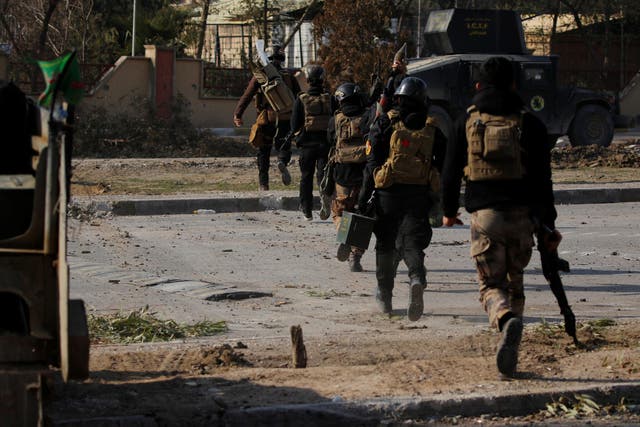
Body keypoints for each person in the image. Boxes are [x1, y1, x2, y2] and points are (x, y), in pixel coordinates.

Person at [441, 56, 559, 378]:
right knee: (515, 284)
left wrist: (449, 213)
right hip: (524, 220)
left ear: (478, 86)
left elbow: (449, 175)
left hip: (486, 219)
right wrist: (548, 223)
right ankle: (512, 347)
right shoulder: (531, 124)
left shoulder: (462, 123)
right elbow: (543, 182)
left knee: (491, 286)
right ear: (513, 85)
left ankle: (506, 321)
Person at [359, 77, 447, 321]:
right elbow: (444, 162)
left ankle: (385, 297)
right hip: (418, 196)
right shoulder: (432, 128)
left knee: (386, 246)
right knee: (412, 243)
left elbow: (370, 163)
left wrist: (363, 199)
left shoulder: (385, 123)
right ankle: (416, 278)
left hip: (387, 196)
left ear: (398, 98)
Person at [233, 44, 300, 191]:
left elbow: (247, 95)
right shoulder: (289, 77)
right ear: (282, 58)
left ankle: (264, 184)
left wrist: (238, 114)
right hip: (285, 119)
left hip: (266, 119)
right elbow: (299, 99)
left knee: (263, 151)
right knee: (284, 146)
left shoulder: (260, 77)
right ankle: (282, 161)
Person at [328, 82, 373, 272]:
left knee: (340, 211)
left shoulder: (336, 119)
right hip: (364, 173)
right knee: (362, 215)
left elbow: (329, 141)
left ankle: (344, 236)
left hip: (343, 173)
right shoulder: (368, 117)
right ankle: (356, 257)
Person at [289, 64, 332, 221]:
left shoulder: (301, 99)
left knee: (306, 176)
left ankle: (307, 210)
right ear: (322, 79)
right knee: (323, 176)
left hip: (307, 145)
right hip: (325, 144)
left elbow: (294, 125)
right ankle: (324, 201)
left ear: (307, 80)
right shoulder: (329, 97)